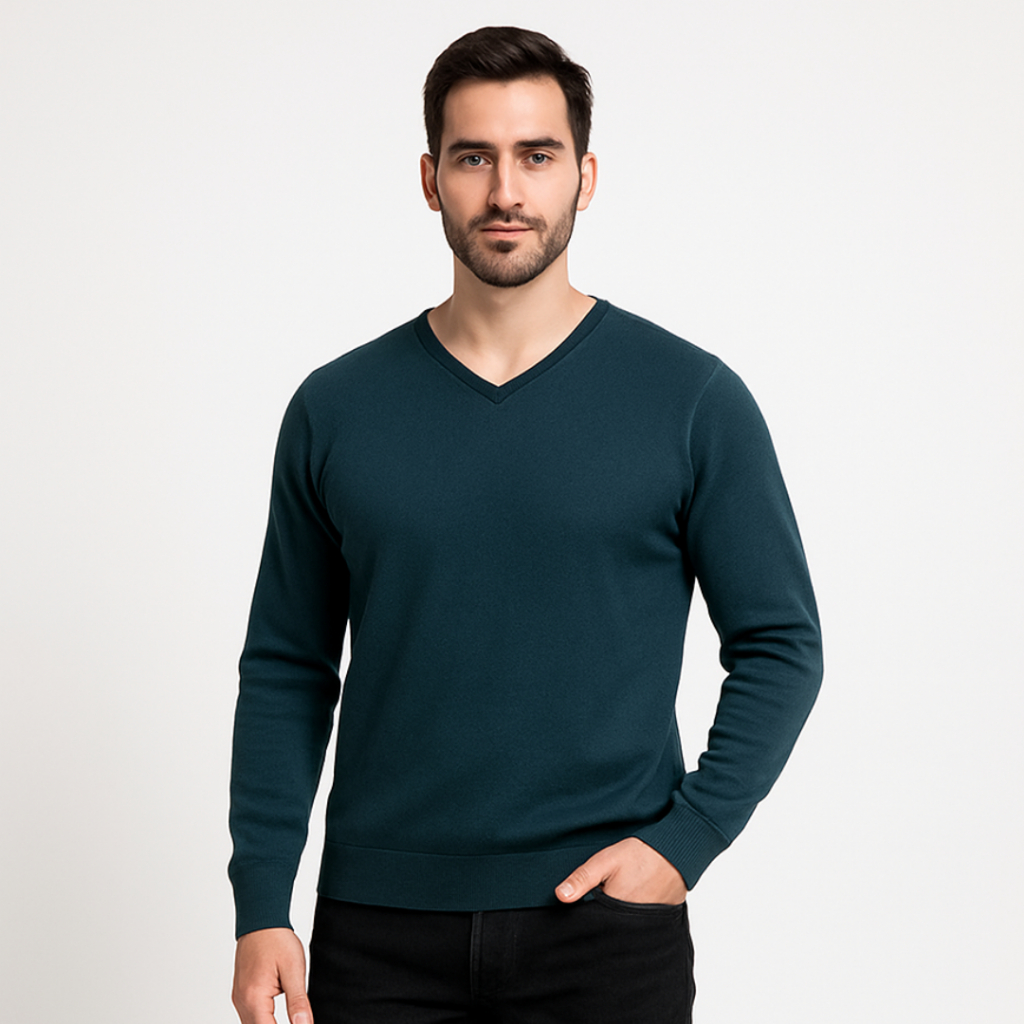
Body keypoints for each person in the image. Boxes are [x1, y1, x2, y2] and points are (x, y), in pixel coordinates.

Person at [229, 25, 823, 1024]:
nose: (506, 191)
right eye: (474, 158)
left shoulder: (689, 399)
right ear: (431, 179)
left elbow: (781, 643)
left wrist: (686, 841)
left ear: (585, 177)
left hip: (603, 933)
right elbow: (288, 667)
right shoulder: (336, 409)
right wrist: (261, 906)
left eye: (536, 156)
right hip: (378, 931)